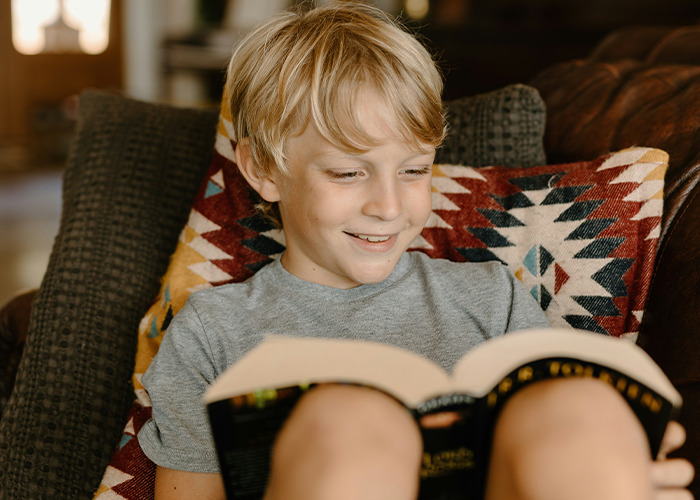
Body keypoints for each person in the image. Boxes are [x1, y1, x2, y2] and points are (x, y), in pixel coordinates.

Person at [137, 2, 694, 499]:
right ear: (262, 168)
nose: (388, 205)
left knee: (580, 409)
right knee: (345, 419)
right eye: (349, 172)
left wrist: (616, 459)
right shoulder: (213, 331)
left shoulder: (490, 296)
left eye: (413, 170)